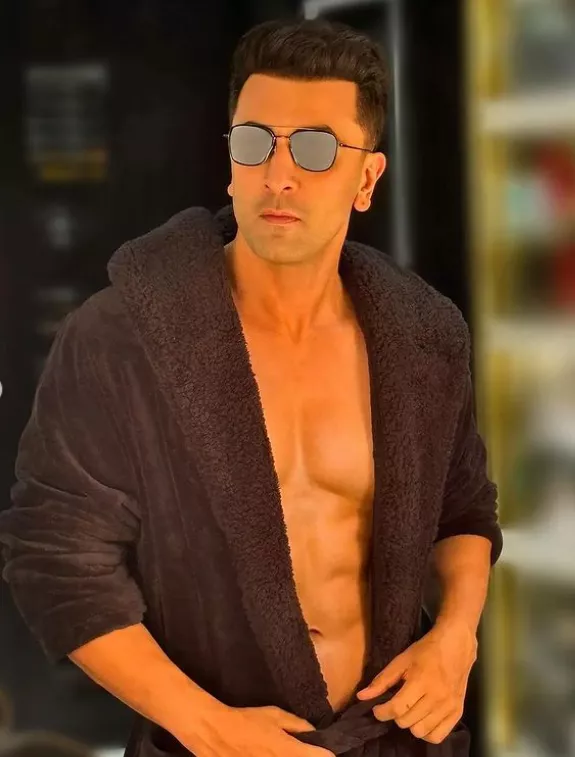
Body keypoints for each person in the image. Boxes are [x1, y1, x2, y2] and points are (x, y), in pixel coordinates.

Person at [0, 17, 502, 757]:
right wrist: (206, 726)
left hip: (395, 737)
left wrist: (455, 636)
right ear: (229, 159)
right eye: (255, 141)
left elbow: (462, 507)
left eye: (315, 148)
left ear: (367, 180)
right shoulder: (120, 339)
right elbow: (57, 560)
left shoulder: (423, 336)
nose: (279, 174)